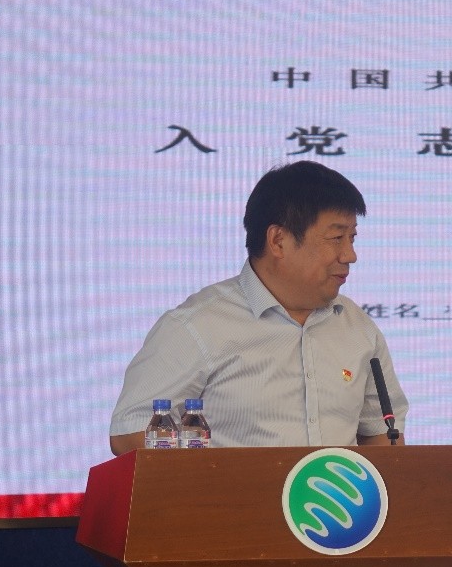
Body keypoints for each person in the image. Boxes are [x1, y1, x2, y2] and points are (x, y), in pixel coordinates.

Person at [109, 161, 408, 454]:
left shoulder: (358, 328)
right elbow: (129, 435)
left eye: (352, 238)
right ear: (278, 240)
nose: (350, 255)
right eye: (336, 238)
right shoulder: (196, 326)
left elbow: (382, 435)